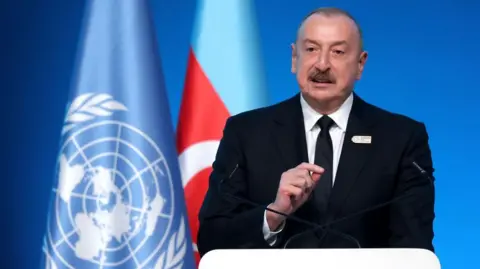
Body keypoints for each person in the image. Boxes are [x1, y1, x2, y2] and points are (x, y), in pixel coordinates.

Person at [196, 7, 435, 256]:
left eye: (338, 52)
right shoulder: (246, 132)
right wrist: (274, 214)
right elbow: (211, 240)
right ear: (294, 58)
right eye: (311, 49)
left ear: (360, 64)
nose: (322, 64)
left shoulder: (401, 138)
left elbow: (414, 249)